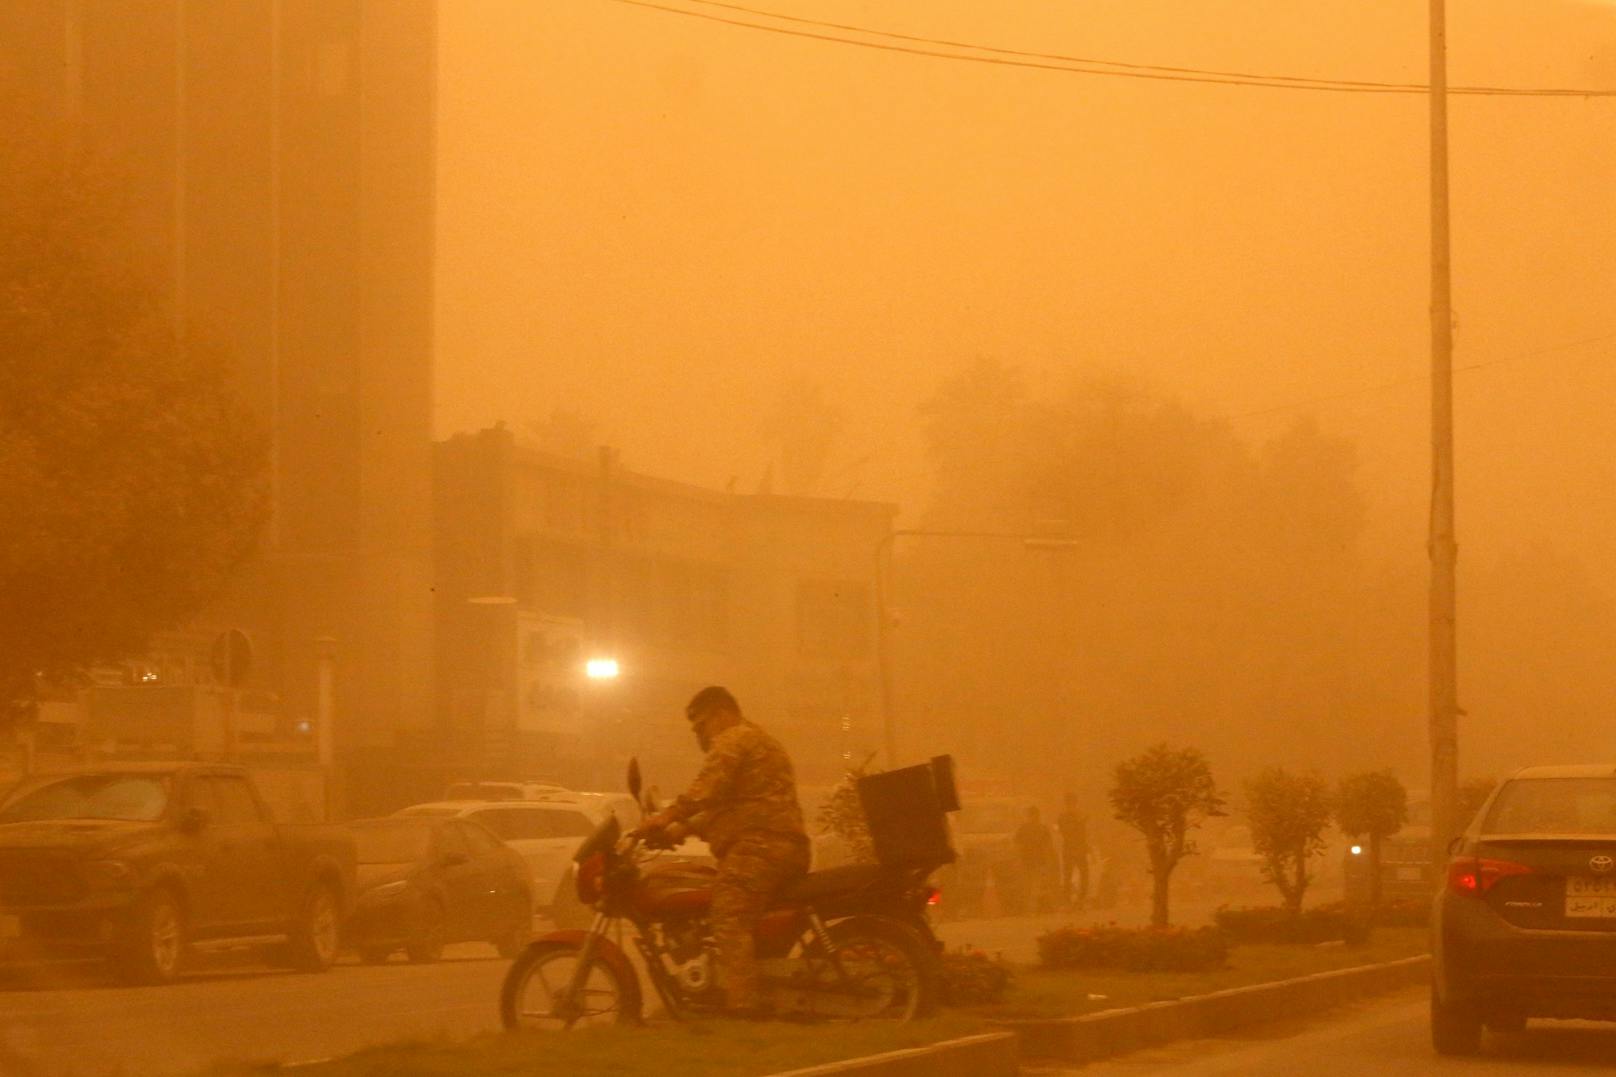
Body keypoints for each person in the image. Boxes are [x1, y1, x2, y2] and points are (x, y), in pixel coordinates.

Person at [640, 686, 810, 1016]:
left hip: (762, 848)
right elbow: (730, 806)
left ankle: (743, 1010)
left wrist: (664, 817)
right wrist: (679, 830)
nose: (699, 737)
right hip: (775, 845)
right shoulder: (757, 740)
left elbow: (706, 789)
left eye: (701, 726)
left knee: (728, 915)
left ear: (721, 714)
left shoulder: (734, 739)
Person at [1013, 805, 1056, 915]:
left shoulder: (1024, 829)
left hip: (1031, 861)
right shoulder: (1041, 829)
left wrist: (1017, 859)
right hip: (1035, 861)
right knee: (1033, 886)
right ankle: (1032, 908)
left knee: (1030, 886)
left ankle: (1030, 909)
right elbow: (1048, 846)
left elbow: (1018, 846)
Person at [1056, 793, 1090, 911]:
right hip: (1072, 848)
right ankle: (1071, 901)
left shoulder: (1074, 816)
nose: (1072, 805)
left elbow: (1083, 833)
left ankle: (1077, 900)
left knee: (1079, 874)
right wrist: (1079, 822)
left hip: (1074, 848)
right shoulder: (1067, 817)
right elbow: (1066, 832)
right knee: (1071, 875)